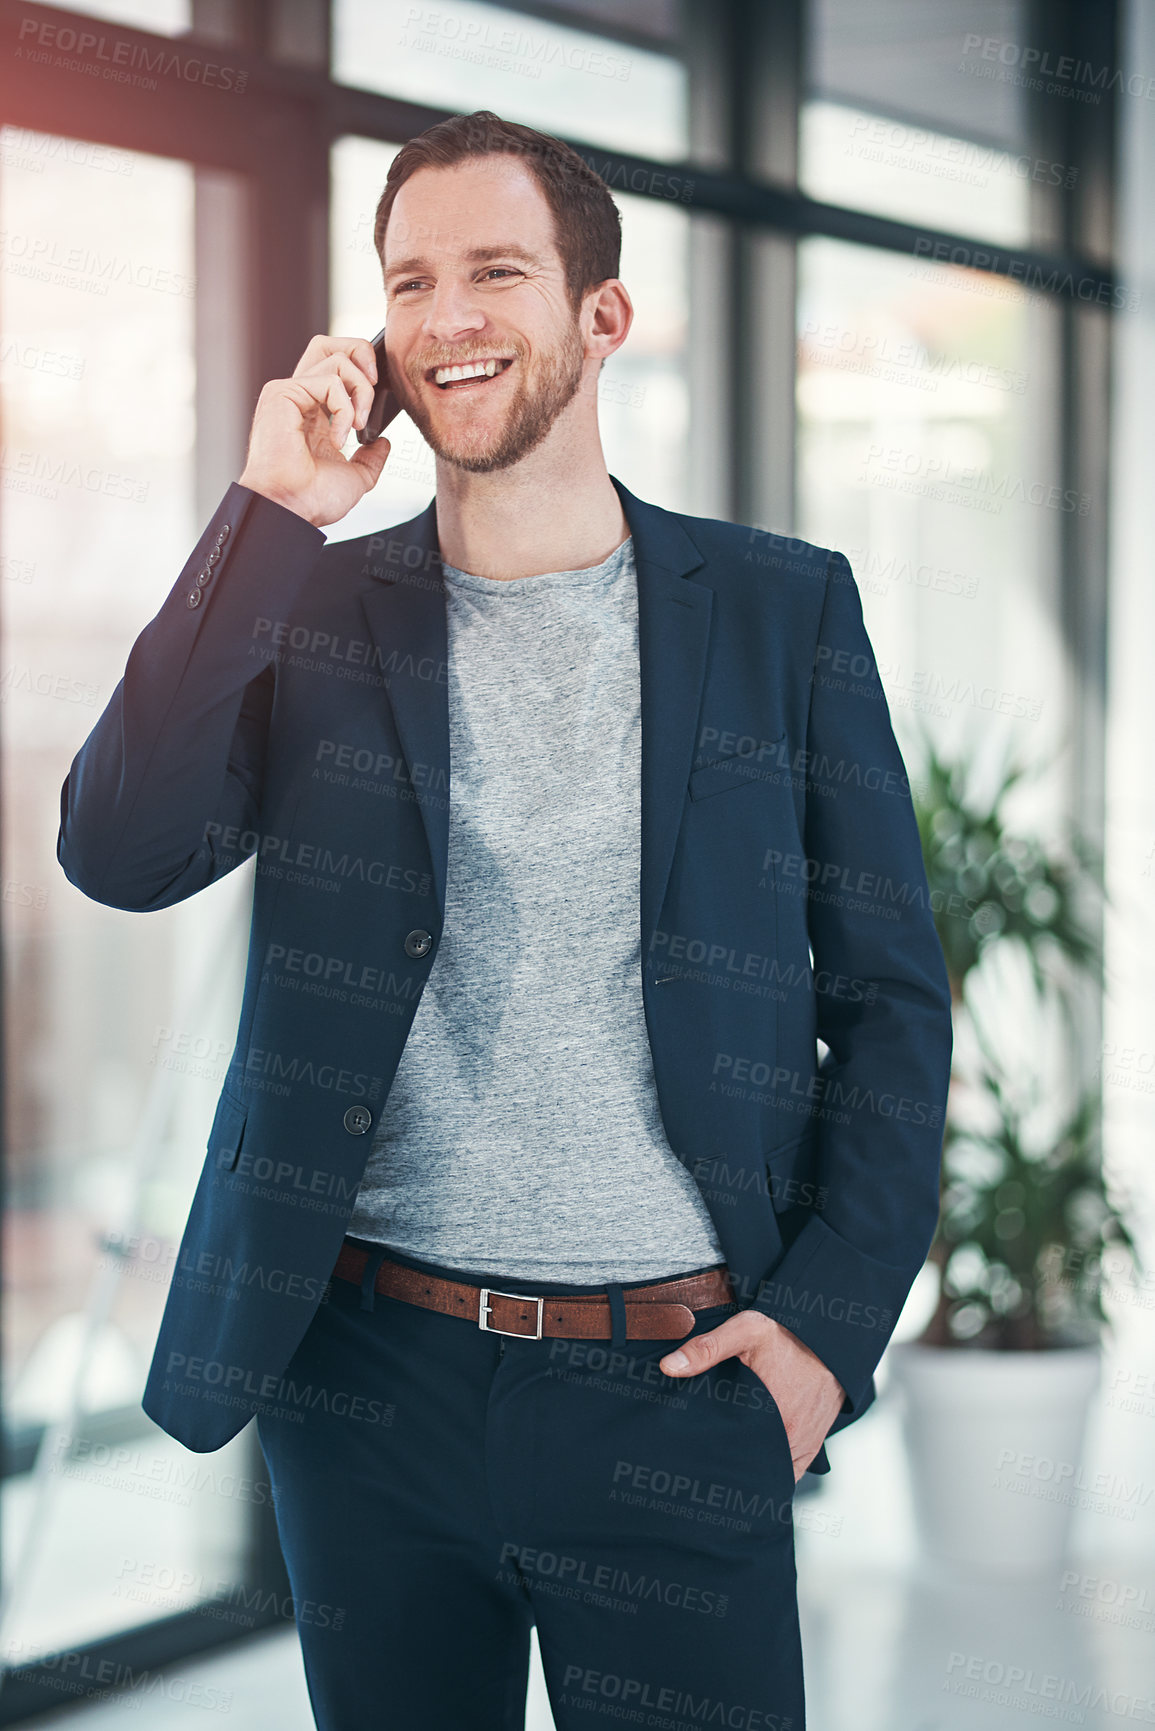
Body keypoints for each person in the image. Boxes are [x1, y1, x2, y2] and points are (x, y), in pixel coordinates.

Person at [58, 109, 953, 1731]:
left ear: (599, 317)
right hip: (368, 1386)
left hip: (679, 1394)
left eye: (494, 272)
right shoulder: (315, 610)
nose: (447, 316)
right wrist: (271, 514)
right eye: (410, 282)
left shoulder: (777, 608)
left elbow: (893, 1000)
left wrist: (822, 1340)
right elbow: (120, 847)